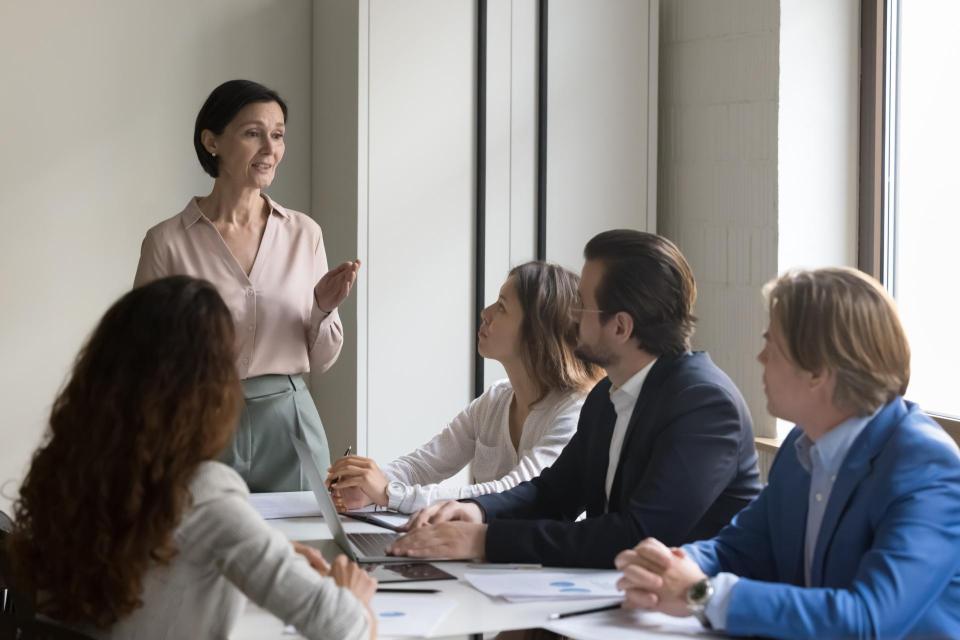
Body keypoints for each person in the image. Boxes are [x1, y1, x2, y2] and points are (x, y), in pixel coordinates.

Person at [5, 276, 376, 640]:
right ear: (207, 391)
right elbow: (346, 630)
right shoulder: (205, 492)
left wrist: (252, 548)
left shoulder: (68, 470)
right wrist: (354, 598)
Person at [615, 267, 960, 638]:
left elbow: (868, 619)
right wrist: (671, 565)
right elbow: (738, 548)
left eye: (772, 345)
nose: (761, 358)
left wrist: (701, 594)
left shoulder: (927, 468)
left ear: (817, 372)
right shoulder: (805, 445)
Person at [387, 230, 762, 567]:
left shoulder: (704, 405)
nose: (570, 318)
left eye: (581, 305)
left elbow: (638, 536)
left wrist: (486, 540)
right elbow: (553, 493)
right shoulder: (607, 394)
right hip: (623, 600)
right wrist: (476, 513)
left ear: (620, 327)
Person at [134, 79, 358, 491]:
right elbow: (144, 359)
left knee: (301, 551)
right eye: (253, 133)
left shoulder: (304, 234)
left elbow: (322, 361)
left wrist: (322, 309)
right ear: (212, 141)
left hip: (289, 420)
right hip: (200, 419)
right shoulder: (166, 241)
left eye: (277, 135)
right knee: (202, 549)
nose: (270, 149)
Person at [326, 262, 602, 514]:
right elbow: (423, 465)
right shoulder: (495, 399)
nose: (486, 313)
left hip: (540, 562)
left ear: (536, 334)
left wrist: (389, 492)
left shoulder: (575, 410)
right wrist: (364, 482)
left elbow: (510, 494)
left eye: (502, 307)